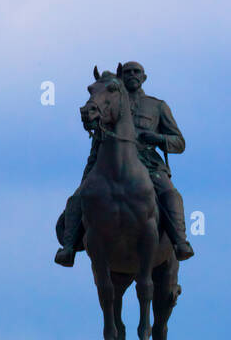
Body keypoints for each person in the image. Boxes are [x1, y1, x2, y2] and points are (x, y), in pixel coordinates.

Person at [55, 61, 195, 265]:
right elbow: (96, 136)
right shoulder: (109, 102)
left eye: (136, 72)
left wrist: (156, 138)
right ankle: (68, 248)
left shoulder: (157, 106)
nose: (132, 75)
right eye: (127, 72)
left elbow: (179, 142)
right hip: (109, 164)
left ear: (144, 77)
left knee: (170, 194)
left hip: (149, 164)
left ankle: (180, 242)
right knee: (78, 196)